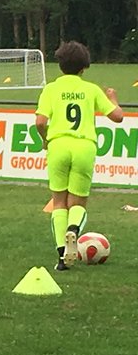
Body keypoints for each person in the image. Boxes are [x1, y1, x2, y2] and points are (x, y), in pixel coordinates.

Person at [35, 41, 123, 271]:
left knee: (59, 203)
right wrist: (113, 98)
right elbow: (117, 117)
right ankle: (74, 230)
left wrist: (45, 139)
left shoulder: (51, 89)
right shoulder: (91, 89)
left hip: (58, 145)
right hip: (84, 146)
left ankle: (62, 257)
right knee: (78, 202)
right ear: (84, 67)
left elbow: (40, 121)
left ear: (60, 65)